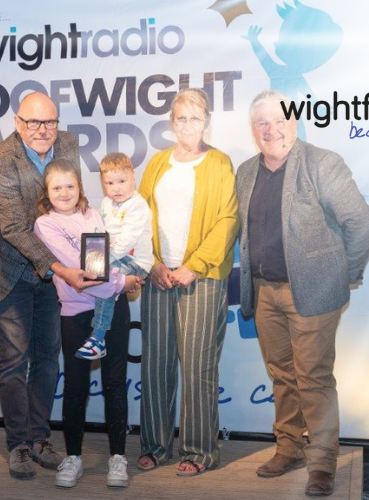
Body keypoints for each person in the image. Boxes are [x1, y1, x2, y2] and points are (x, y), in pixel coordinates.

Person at [236, 90, 369, 496]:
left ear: (294, 122)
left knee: (313, 379)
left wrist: (341, 275)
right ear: (253, 130)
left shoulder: (321, 163)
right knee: (281, 375)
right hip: (265, 292)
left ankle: (322, 464)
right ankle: (289, 448)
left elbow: (361, 224)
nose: (272, 130)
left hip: (313, 295)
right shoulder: (245, 172)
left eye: (280, 120)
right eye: (262, 123)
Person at [0, 92, 96, 480]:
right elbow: (13, 228)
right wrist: (61, 268)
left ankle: (40, 437)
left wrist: (95, 257)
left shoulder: (68, 143)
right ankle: (19, 444)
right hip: (10, 271)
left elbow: (74, 205)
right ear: (17, 123)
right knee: (14, 360)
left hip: (54, 276)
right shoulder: (1, 160)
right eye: (33, 123)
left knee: (48, 358)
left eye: (50, 122)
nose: (42, 130)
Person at [136, 88, 239, 476]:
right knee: (156, 365)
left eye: (195, 118)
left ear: (207, 122)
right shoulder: (157, 163)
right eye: (181, 118)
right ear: (171, 122)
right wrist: (153, 264)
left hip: (201, 278)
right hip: (159, 277)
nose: (188, 125)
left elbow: (228, 220)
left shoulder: (220, 163)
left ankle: (199, 452)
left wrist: (193, 266)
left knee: (197, 368)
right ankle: (155, 445)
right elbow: (138, 216)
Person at [33, 159, 142, 488]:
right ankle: (74, 457)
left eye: (70, 185)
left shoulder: (94, 214)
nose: (64, 193)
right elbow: (81, 273)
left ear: (80, 187)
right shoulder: (45, 225)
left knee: (114, 383)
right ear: (47, 192)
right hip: (77, 314)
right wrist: (122, 284)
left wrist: (116, 283)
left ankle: (118, 457)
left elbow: (103, 263)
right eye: (57, 187)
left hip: (113, 311)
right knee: (76, 386)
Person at [74, 152, 153, 360]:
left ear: (133, 177)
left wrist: (102, 262)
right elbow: (103, 233)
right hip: (115, 257)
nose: (116, 188)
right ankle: (95, 331)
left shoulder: (137, 205)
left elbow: (127, 241)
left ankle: (98, 337)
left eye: (122, 181)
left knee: (106, 281)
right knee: (97, 279)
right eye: (109, 183)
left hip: (136, 261)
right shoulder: (106, 203)